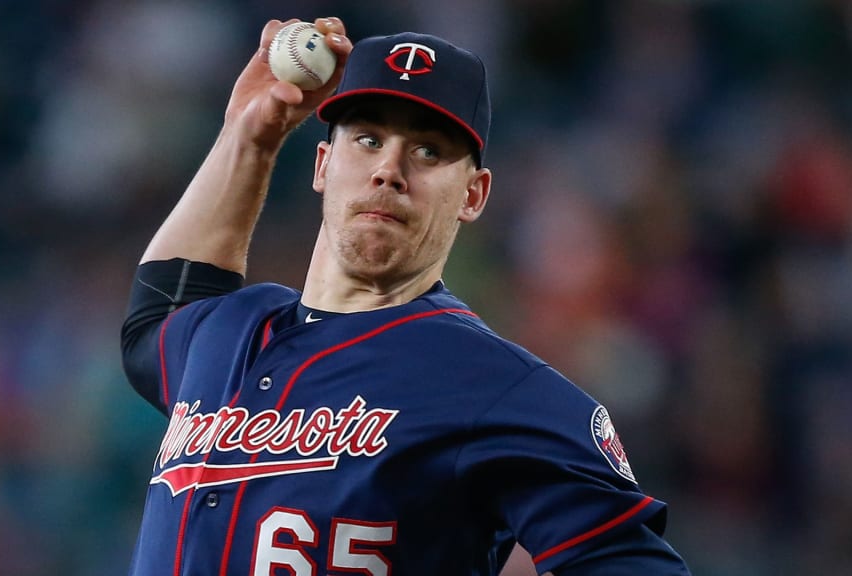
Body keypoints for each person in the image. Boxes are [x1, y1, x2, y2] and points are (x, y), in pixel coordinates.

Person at [120, 17, 690, 576]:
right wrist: (249, 137)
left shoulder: (495, 387)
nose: (389, 170)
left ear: (473, 194)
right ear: (323, 164)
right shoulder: (225, 331)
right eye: (368, 140)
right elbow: (160, 314)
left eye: (428, 152)